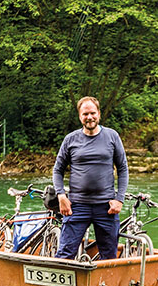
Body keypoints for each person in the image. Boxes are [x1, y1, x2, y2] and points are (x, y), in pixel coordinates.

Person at [53, 96, 128, 260]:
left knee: (109, 257)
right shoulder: (70, 139)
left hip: (106, 206)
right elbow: (57, 170)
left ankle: (103, 285)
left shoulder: (112, 136)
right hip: (77, 205)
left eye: (92, 113)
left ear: (99, 114)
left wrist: (119, 199)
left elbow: (123, 169)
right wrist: (61, 196)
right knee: (65, 254)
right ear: (80, 116)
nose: (89, 117)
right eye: (85, 114)